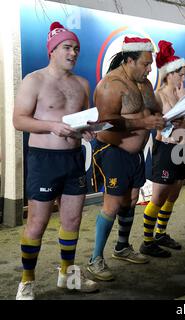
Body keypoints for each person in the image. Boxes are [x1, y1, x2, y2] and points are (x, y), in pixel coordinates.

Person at [13, 22, 98, 300]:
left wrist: (87, 131)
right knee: (37, 223)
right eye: (67, 47)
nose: (73, 53)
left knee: (72, 220)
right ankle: (27, 281)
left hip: (73, 159)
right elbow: (19, 120)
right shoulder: (33, 80)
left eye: (76, 48)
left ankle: (68, 275)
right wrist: (51, 126)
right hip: (44, 160)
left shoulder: (82, 83)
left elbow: (81, 120)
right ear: (52, 50)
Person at [87, 37, 166, 281]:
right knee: (112, 204)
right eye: (145, 64)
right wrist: (144, 122)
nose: (149, 69)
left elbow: (154, 108)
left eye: (150, 64)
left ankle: (122, 247)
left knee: (131, 199)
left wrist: (166, 115)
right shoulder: (111, 85)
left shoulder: (145, 83)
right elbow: (106, 122)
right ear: (129, 60)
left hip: (136, 154)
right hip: (112, 151)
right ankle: (95, 259)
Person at [141, 40, 185, 253]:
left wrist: (183, 102)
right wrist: (180, 104)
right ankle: (147, 240)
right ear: (170, 73)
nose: (183, 78)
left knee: (174, 195)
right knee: (158, 197)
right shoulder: (158, 95)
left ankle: (160, 233)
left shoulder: (180, 93)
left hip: (181, 148)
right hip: (165, 149)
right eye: (181, 74)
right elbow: (157, 123)